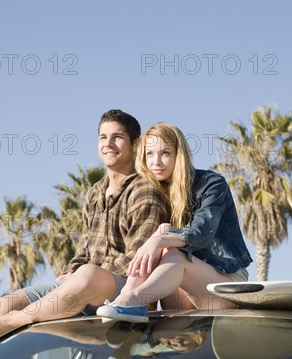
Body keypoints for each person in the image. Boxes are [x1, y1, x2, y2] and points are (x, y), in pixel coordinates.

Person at [0, 110, 170, 351]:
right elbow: (85, 248)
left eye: (117, 137)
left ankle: (9, 323)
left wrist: (86, 275)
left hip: (125, 291)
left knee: (88, 274)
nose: (108, 144)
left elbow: (138, 260)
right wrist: (70, 273)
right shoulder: (95, 192)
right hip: (83, 286)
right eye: (102, 137)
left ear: (136, 143)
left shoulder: (145, 190)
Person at [96, 122, 253, 323]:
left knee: (169, 246)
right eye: (149, 154)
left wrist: (158, 241)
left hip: (224, 287)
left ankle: (134, 300)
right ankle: (126, 297)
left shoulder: (211, 184)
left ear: (179, 155)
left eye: (165, 153)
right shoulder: (156, 192)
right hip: (182, 289)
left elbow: (201, 233)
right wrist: (158, 239)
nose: (156, 162)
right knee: (163, 230)